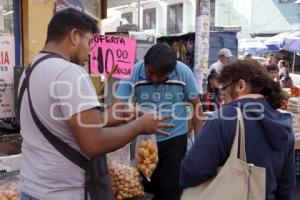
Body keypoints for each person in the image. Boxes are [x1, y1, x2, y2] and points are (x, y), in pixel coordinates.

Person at [18, 9, 173, 200]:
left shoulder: (30, 70)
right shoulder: (70, 73)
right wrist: (140, 126)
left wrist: (118, 115)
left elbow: (68, 121)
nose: (91, 51)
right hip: (63, 193)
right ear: (74, 36)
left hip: (31, 189)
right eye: (90, 42)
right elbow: (94, 143)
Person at [180, 59, 295, 199]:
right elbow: (286, 187)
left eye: (224, 88)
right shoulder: (284, 123)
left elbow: (192, 171)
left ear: (240, 86)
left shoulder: (225, 119)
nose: (222, 94)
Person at [115, 43, 203, 200]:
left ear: (171, 71)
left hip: (176, 139)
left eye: (161, 76)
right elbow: (117, 108)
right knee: (147, 186)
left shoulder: (183, 72)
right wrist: (136, 117)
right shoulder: (134, 72)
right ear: (145, 63)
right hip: (145, 141)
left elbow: (196, 107)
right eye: (151, 73)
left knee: (170, 188)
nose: (155, 78)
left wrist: (199, 144)